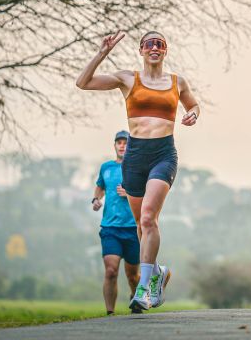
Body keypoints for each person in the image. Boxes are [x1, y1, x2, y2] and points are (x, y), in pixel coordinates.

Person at [77, 31, 200, 312]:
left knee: (148, 218)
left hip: (163, 155)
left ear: (165, 50)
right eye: (149, 44)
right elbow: (83, 83)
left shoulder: (177, 82)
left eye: (160, 44)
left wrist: (194, 113)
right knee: (139, 225)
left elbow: (192, 104)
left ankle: (145, 289)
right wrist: (102, 53)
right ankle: (157, 272)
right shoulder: (127, 78)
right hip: (134, 156)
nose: (154, 48)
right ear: (141, 50)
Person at [92, 130, 140, 315]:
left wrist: (129, 194)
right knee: (111, 271)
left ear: (131, 146)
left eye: (126, 142)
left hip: (133, 229)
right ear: (114, 146)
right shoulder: (106, 168)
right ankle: (110, 313)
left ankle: (135, 299)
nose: (122, 145)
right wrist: (96, 199)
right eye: (119, 142)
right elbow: (100, 186)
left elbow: (147, 194)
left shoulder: (138, 168)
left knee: (133, 276)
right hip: (110, 228)